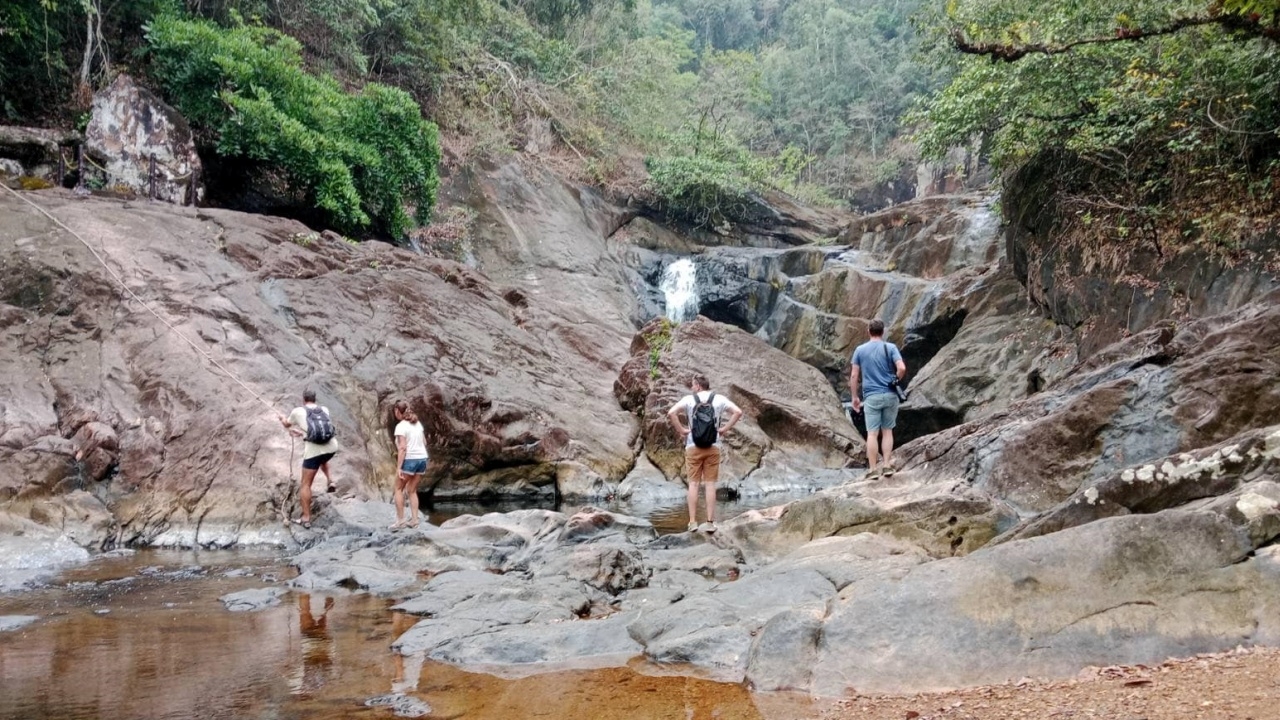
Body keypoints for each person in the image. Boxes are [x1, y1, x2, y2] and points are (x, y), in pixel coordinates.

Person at [667, 373, 743, 533]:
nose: (692, 388)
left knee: (693, 484)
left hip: (693, 446)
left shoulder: (689, 400)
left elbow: (671, 413)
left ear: (698, 385)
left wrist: (682, 430)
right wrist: (723, 429)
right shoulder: (719, 399)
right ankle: (710, 522)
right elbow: (738, 412)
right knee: (710, 485)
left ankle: (693, 522)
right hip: (713, 446)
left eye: (693, 385)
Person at [850, 319, 907, 478]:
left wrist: (854, 397)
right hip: (890, 395)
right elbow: (901, 368)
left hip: (871, 396)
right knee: (887, 431)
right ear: (883, 332)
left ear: (869, 331)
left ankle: (873, 470)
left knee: (872, 434)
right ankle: (887, 466)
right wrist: (895, 380)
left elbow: (854, 375)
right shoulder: (890, 347)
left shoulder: (860, 350)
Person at [279, 389, 340, 528]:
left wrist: (282, 418)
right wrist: (302, 433)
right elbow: (318, 428)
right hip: (331, 447)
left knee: (305, 485)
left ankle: (306, 518)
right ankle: (331, 481)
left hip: (314, 451)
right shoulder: (324, 409)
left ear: (303, 399)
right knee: (323, 458)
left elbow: (287, 424)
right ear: (315, 399)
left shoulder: (297, 411)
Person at [391, 400, 429, 529]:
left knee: (398, 488)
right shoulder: (417, 423)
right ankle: (414, 520)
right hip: (422, 459)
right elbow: (424, 442)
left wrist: (399, 467)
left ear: (397, 411)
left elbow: (402, 448)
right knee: (412, 490)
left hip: (410, 459)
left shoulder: (401, 426)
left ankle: (400, 521)